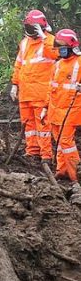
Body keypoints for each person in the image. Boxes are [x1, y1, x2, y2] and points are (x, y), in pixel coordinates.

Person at [11, 9, 57, 162]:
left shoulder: (49, 41)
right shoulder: (25, 43)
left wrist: (43, 37)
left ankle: (46, 155)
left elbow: (55, 54)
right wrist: (14, 84)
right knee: (28, 124)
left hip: (41, 93)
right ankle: (32, 151)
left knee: (43, 125)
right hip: (25, 93)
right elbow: (19, 65)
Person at [44, 29, 81, 182]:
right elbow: (50, 88)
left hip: (71, 110)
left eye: (62, 46)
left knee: (66, 142)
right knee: (59, 142)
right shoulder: (58, 65)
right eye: (58, 47)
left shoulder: (79, 63)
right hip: (55, 110)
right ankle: (62, 171)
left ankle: (76, 175)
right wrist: (45, 107)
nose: (59, 50)